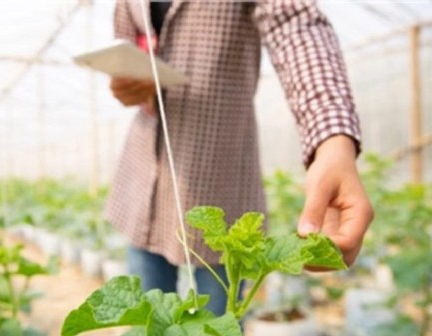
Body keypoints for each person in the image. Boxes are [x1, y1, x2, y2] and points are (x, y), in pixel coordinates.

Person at [104, 0, 374, 315]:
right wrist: (127, 83)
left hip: (218, 181)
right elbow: (125, 40)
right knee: (149, 333)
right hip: (143, 178)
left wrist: (332, 140)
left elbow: (294, 21)